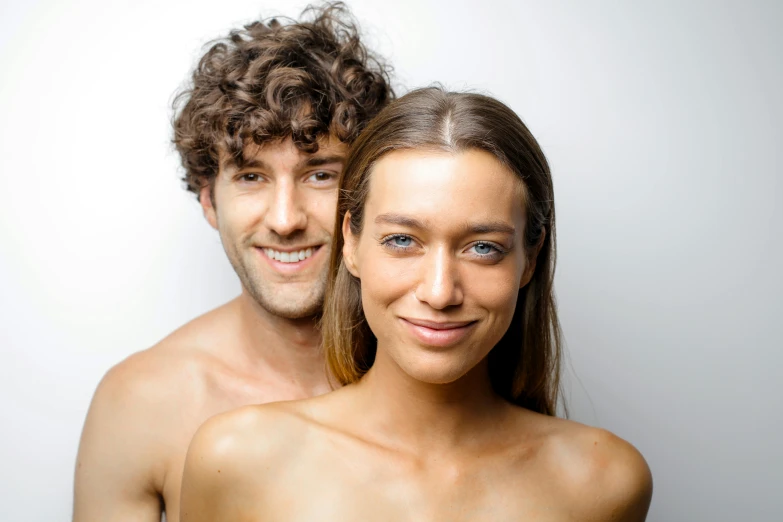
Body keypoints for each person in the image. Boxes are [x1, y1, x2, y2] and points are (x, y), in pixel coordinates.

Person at [180, 87, 654, 521]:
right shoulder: (235, 459)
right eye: (403, 240)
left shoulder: (606, 480)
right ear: (351, 242)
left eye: (483, 247)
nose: (440, 292)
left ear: (529, 259)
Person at [73, 4, 392, 521]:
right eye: (250, 177)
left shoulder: (438, 370)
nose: (286, 219)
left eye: (320, 175)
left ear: (369, 196)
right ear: (208, 200)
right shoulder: (139, 403)